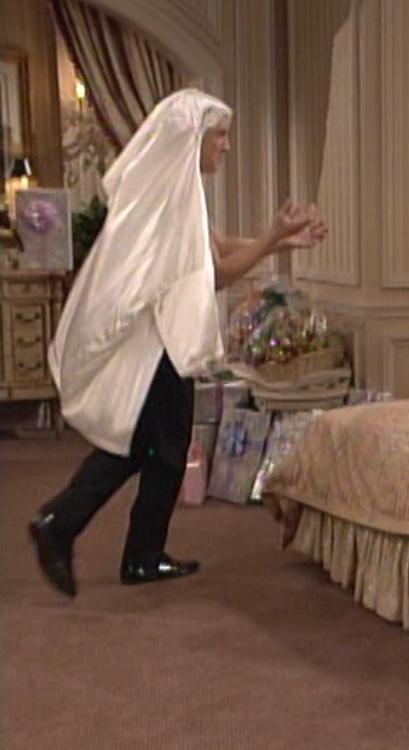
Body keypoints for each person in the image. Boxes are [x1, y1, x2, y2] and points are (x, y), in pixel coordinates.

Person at [28, 89, 327, 597]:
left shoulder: (174, 190)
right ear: (192, 138)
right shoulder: (172, 199)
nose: (226, 146)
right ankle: (76, 529)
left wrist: (277, 238)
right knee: (156, 450)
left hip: (159, 343)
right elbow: (216, 272)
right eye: (220, 136)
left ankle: (126, 549)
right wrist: (270, 240)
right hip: (161, 347)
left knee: (145, 448)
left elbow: (214, 247)